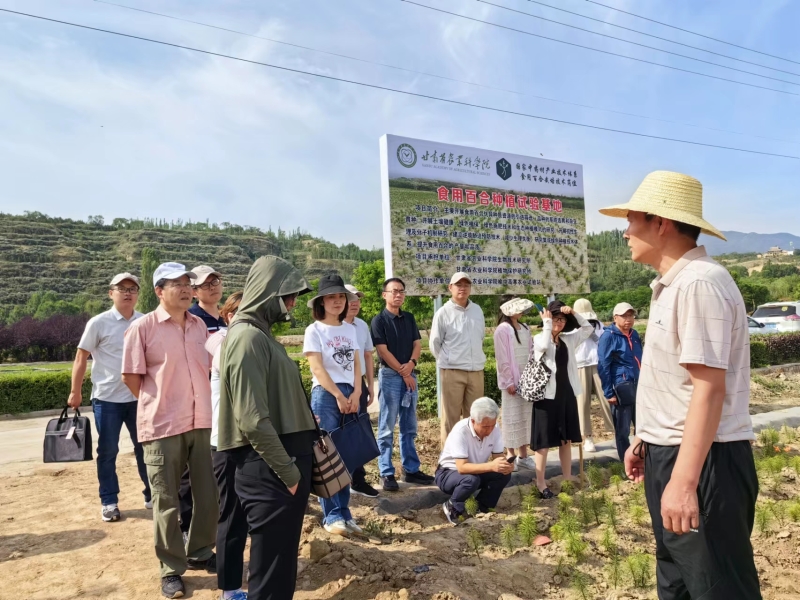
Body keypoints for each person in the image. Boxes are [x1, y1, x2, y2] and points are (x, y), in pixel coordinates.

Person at [600, 170, 760, 599]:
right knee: (678, 584)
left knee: (717, 588)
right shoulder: (673, 285)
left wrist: (685, 482)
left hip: (706, 463)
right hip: (673, 452)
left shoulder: (699, 284)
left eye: (632, 220)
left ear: (661, 223)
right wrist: (646, 439)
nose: (625, 232)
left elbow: (708, 389)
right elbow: (676, 384)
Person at [217, 256, 316, 600]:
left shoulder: (259, 334)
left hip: (278, 466)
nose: (292, 304)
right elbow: (252, 420)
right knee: (271, 572)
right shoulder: (247, 338)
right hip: (270, 470)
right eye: (288, 295)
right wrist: (289, 473)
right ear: (268, 292)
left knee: (280, 564)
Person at [121, 262, 217, 599]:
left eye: (188, 282)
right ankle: (170, 568)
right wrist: (160, 402)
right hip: (162, 425)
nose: (186, 288)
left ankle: (200, 551)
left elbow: (209, 370)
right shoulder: (142, 328)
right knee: (166, 500)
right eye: (177, 283)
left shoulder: (199, 327)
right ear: (159, 291)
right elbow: (131, 377)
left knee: (208, 495)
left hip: (201, 421)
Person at [67, 272, 149, 522]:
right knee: (108, 451)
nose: (128, 293)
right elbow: (81, 357)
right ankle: (109, 501)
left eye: (132, 289)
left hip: (139, 398)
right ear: (110, 293)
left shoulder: (145, 321)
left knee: (146, 449)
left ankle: (152, 495)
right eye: (122, 288)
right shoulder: (99, 323)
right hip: (107, 400)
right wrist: (75, 391)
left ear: (138, 294)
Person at [303, 275, 363, 536]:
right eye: (331, 297)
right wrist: (338, 394)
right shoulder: (314, 330)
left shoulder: (350, 329)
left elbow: (357, 363)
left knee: (347, 455)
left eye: (341, 297)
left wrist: (358, 391)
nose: (337, 301)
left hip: (350, 392)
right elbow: (317, 368)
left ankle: (345, 513)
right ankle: (332, 516)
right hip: (326, 394)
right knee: (327, 457)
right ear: (321, 302)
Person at [370, 277, 435, 491]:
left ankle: (411, 470)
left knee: (409, 425)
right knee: (387, 426)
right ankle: (386, 472)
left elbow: (417, 344)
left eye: (401, 291)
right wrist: (403, 371)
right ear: (384, 295)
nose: (398, 295)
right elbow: (382, 351)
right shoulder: (378, 320)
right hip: (390, 376)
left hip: (409, 373)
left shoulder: (409, 317)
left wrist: (411, 364)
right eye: (394, 291)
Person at [179, 265, 225, 540]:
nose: (212, 287)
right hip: (198, 402)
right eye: (206, 284)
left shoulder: (227, 319)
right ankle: (186, 526)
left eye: (215, 281)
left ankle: (219, 520)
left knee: (218, 463)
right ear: (194, 291)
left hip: (223, 401)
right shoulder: (192, 320)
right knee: (191, 467)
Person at [205, 292, 246, 600]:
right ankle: (229, 589)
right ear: (229, 316)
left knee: (249, 516)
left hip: (251, 442)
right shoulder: (223, 344)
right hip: (227, 443)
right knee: (231, 516)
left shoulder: (249, 341)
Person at [530, 300, 593, 498]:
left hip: (566, 394)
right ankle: (541, 483)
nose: (559, 322)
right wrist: (547, 323)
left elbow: (588, 328)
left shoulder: (568, 340)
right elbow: (543, 346)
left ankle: (567, 478)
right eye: (555, 318)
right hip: (546, 397)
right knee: (543, 441)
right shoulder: (539, 338)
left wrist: (573, 313)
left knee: (566, 439)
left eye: (562, 320)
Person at [429, 272, 486, 447]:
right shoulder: (443, 313)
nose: (463, 288)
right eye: (458, 285)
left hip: (476, 371)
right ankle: (450, 458)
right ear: (450, 288)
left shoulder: (477, 310)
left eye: (466, 285)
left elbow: (480, 337)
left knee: (475, 417)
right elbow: (434, 343)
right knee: (451, 418)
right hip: (452, 372)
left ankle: (472, 455)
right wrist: (448, 361)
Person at [437, 397, 513, 525]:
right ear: (473, 421)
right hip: (448, 474)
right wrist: (491, 466)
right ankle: (453, 506)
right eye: (485, 426)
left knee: (503, 474)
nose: (490, 430)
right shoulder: (461, 431)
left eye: (492, 425)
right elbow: (462, 468)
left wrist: (506, 465)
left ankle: (481, 507)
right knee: (471, 480)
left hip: (475, 472)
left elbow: (498, 456)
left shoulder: (495, 429)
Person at [344, 284, 379, 498]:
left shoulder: (362, 325)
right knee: (339, 434)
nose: (355, 303)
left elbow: (368, 355)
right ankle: (337, 480)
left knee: (359, 432)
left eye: (357, 298)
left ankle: (357, 479)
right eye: (350, 298)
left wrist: (370, 385)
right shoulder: (329, 326)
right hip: (339, 386)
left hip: (360, 386)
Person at [493, 297, 535, 472]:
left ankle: (523, 455)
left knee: (525, 418)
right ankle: (510, 455)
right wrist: (508, 381)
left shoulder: (525, 328)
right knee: (511, 418)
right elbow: (502, 358)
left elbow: (531, 352)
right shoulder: (502, 330)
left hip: (527, 381)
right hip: (511, 382)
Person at [597, 302, 643, 461]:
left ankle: (641, 459)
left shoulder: (634, 334)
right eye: (624, 316)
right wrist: (609, 392)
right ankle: (626, 462)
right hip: (621, 387)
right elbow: (603, 365)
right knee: (623, 430)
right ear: (615, 317)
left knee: (642, 426)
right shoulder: (608, 336)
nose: (628, 319)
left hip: (639, 385)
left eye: (631, 315)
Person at [572, 298, 615, 453]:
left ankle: (615, 433)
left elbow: (604, 343)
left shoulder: (599, 326)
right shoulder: (571, 327)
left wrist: (592, 333)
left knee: (606, 399)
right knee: (582, 402)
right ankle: (587, 437)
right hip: (580, 365)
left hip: (598, 364)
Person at [189, 265, 226, 332]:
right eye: (205, 285)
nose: (212, 287)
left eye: (214, 281)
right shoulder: (189, 318)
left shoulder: (229, 316)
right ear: (193, 292)